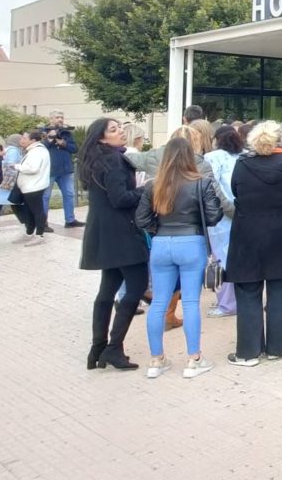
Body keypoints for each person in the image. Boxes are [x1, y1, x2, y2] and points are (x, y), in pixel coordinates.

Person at [135, 137, 223, 378]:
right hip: (191, 241)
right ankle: (194, 359)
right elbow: (214, 216)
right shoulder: (201, 183)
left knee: (159, 303)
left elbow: (141, 219)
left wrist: (158, 229)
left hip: (162, 243)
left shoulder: (155, 185)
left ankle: (156, 360)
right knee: (191, 302)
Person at [225, 121, 282, 366]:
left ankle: (248, 351)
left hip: (248, 232)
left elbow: (235, 191)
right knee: (281, 288)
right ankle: (276, 347)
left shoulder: (242, 165)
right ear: (280, 140)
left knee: (248, 289)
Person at [78, 118, 150, 372]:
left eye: (120, 127)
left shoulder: (95, 160)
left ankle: (98, 347)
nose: (120, 132)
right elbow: (121, 199)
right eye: (114, 129)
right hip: (121, 232)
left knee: (107, 289)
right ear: (101, 137)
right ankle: (113, 348)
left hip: (101, 230)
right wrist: (146, 191)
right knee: (137, 285)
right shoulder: (114, 160)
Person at [203, 125, 243, 318]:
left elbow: (212, 187)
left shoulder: (212, 158)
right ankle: (240, 298)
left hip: (220, 216)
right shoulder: (244, 155)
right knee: (239, 255)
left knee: (222, 258)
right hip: (244, 212)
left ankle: (227, 303)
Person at [41, 110, 81, 230]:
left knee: (69, 194)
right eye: (57, 117)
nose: (60, 119)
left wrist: (64, 144)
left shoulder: (66, 133)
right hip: (50, 170)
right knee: (45, 196)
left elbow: (74, 148)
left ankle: (70, 220)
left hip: (65, 170)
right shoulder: (43, 132)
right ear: (51, 119)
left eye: (62, 117)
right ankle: (42, 223)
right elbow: (41, 147)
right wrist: (50, 138)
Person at [12, 129, 51, 245]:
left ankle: (39, 235)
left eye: (24, 138)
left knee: (37, 211)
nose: (21, 140)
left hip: (34, 187)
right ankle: (29, 233)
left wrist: (16, 166)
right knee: (29, 211)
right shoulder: (33, 150)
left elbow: (32, 168)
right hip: (28, 187)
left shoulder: (37, 151)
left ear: (33, 140)